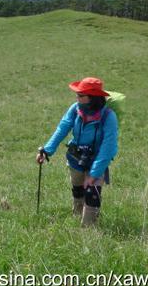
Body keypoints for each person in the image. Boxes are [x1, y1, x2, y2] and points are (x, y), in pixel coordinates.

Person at [36, 77, 118, 227]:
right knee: (78, 189)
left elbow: (109, 148)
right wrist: (46, 151)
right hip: (75, 158)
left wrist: (94, 173)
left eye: (81, 95)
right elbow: (62, 128)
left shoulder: (108, 116)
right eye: (77, 94)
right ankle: (77, 215)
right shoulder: (75, 109)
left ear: (92, 98)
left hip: (97, 160)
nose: (77, 97)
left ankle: (88, 230)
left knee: (92, 194)